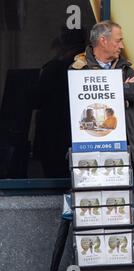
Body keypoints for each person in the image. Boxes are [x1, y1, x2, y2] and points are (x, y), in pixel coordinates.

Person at [70, 21, 134, 175]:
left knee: (122, 194)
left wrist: (112, 89)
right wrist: (122, 89)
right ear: (103, 40)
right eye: (118, 40)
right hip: (90, 148)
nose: (122, 46)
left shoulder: (125, 67)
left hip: (123, 145)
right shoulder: (79, 68)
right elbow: (80, 101)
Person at [34, 27, 87, 178]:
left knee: (53, 174)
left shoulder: (54, 68)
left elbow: (36, 99)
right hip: (75, 133)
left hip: (52, 133)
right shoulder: (87, 68)